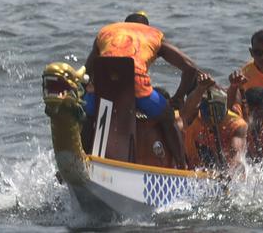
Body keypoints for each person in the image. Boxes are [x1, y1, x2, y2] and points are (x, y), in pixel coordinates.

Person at [84, 11, 201, 167]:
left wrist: (88, 91)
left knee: (89, 114)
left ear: (123, 24)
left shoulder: (106, 31)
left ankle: (81, 158)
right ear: (146, 26)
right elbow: (191, 68)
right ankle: (182, 166)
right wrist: (179, 97)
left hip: (103, 84)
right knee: (168, 117)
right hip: (136, 85)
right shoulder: (153, 35)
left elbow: (88, 69)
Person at [180, 73, 247, 174]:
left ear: (225, 107)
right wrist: (200, 87)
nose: (212, 114)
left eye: (217, 108)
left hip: (223, 169)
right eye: (206, 108)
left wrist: (230, 173)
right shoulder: (192, 117)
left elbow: (235, 156)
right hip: (193, 168)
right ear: (199, 107)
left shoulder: (236, 125)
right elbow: (186, 111)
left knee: (239, 167)